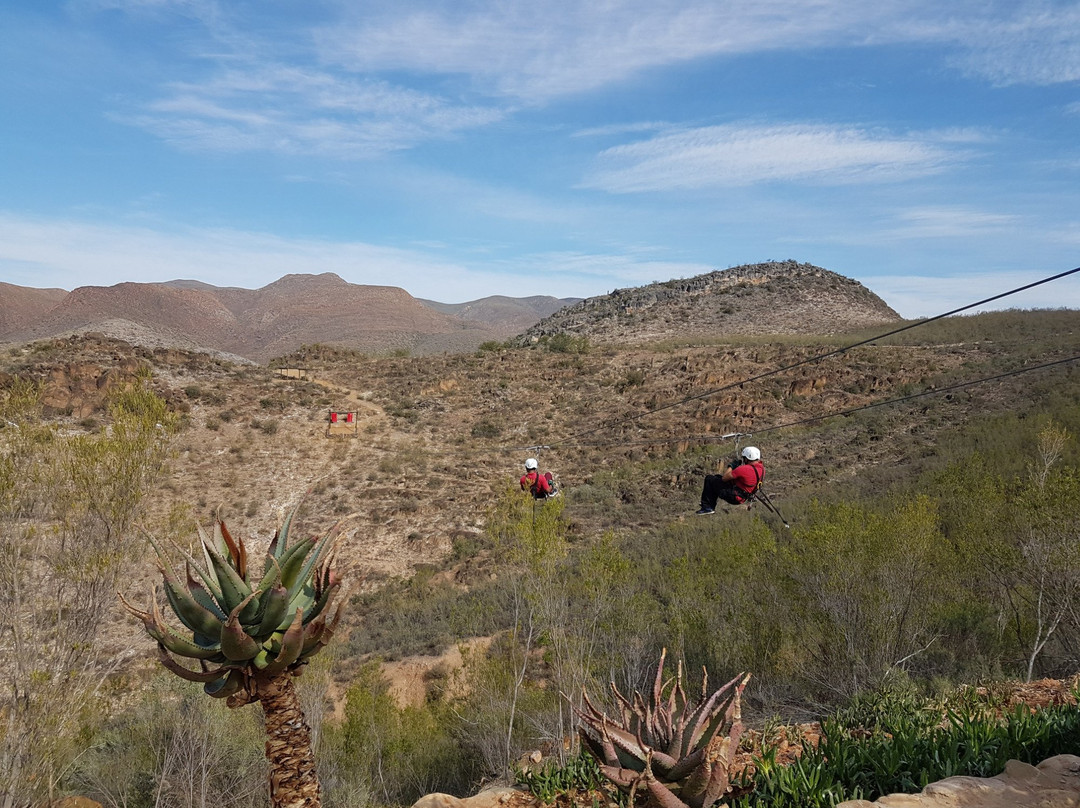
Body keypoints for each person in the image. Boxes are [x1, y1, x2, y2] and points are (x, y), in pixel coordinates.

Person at [696, 446, 764, 514]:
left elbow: (724, 478)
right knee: (717, 477)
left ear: (747, 458)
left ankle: (707, 507)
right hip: (743, 496)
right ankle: (709, 502)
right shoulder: (761, 468)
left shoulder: (744, 469)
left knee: (709, 479)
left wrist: (731, 466)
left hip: (734, 497)